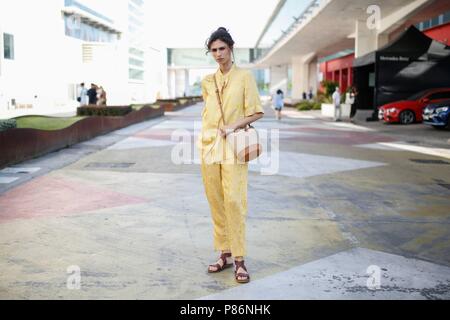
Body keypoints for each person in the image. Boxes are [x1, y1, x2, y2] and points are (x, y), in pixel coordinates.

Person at [198, 27, 264, 284]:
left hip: (234, 149)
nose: (218, 54)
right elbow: (208, 112)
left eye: (222, 49)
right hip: (208, 147)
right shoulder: (207, 81)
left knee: (234, 201)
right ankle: (224, 253)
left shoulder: (245, 77)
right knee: (216, 202)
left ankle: (240, 259)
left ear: (231, 48)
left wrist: (234, 125)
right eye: (213, 50)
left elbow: (257, 112)